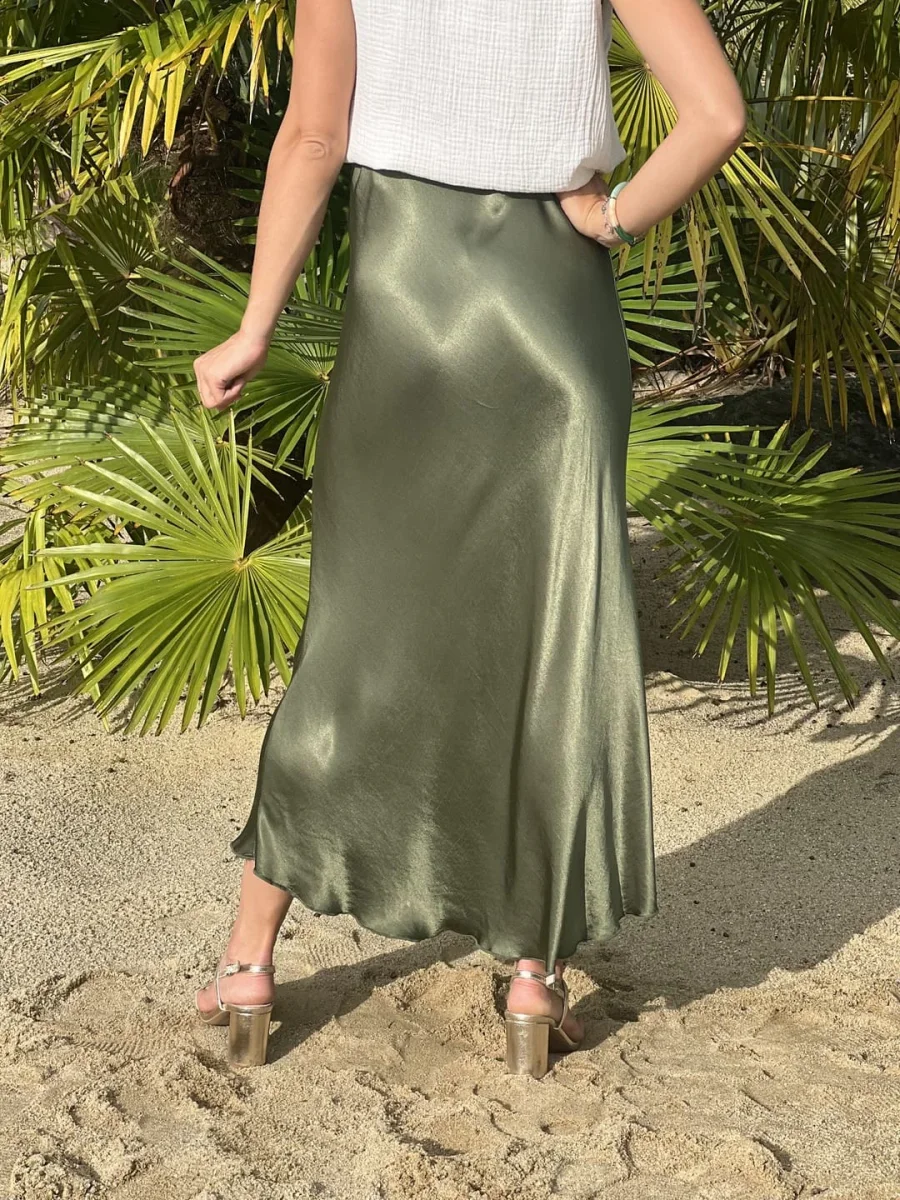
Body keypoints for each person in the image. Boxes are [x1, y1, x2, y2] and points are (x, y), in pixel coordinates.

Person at [192, 0, 746, 1078]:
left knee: (359, 639)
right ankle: (533, 980)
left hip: (407, 314)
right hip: (554, 325)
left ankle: (249, 961)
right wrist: (616, 219)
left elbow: (312, 136)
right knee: (548, 644)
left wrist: (256, 326)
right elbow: (717, 116)